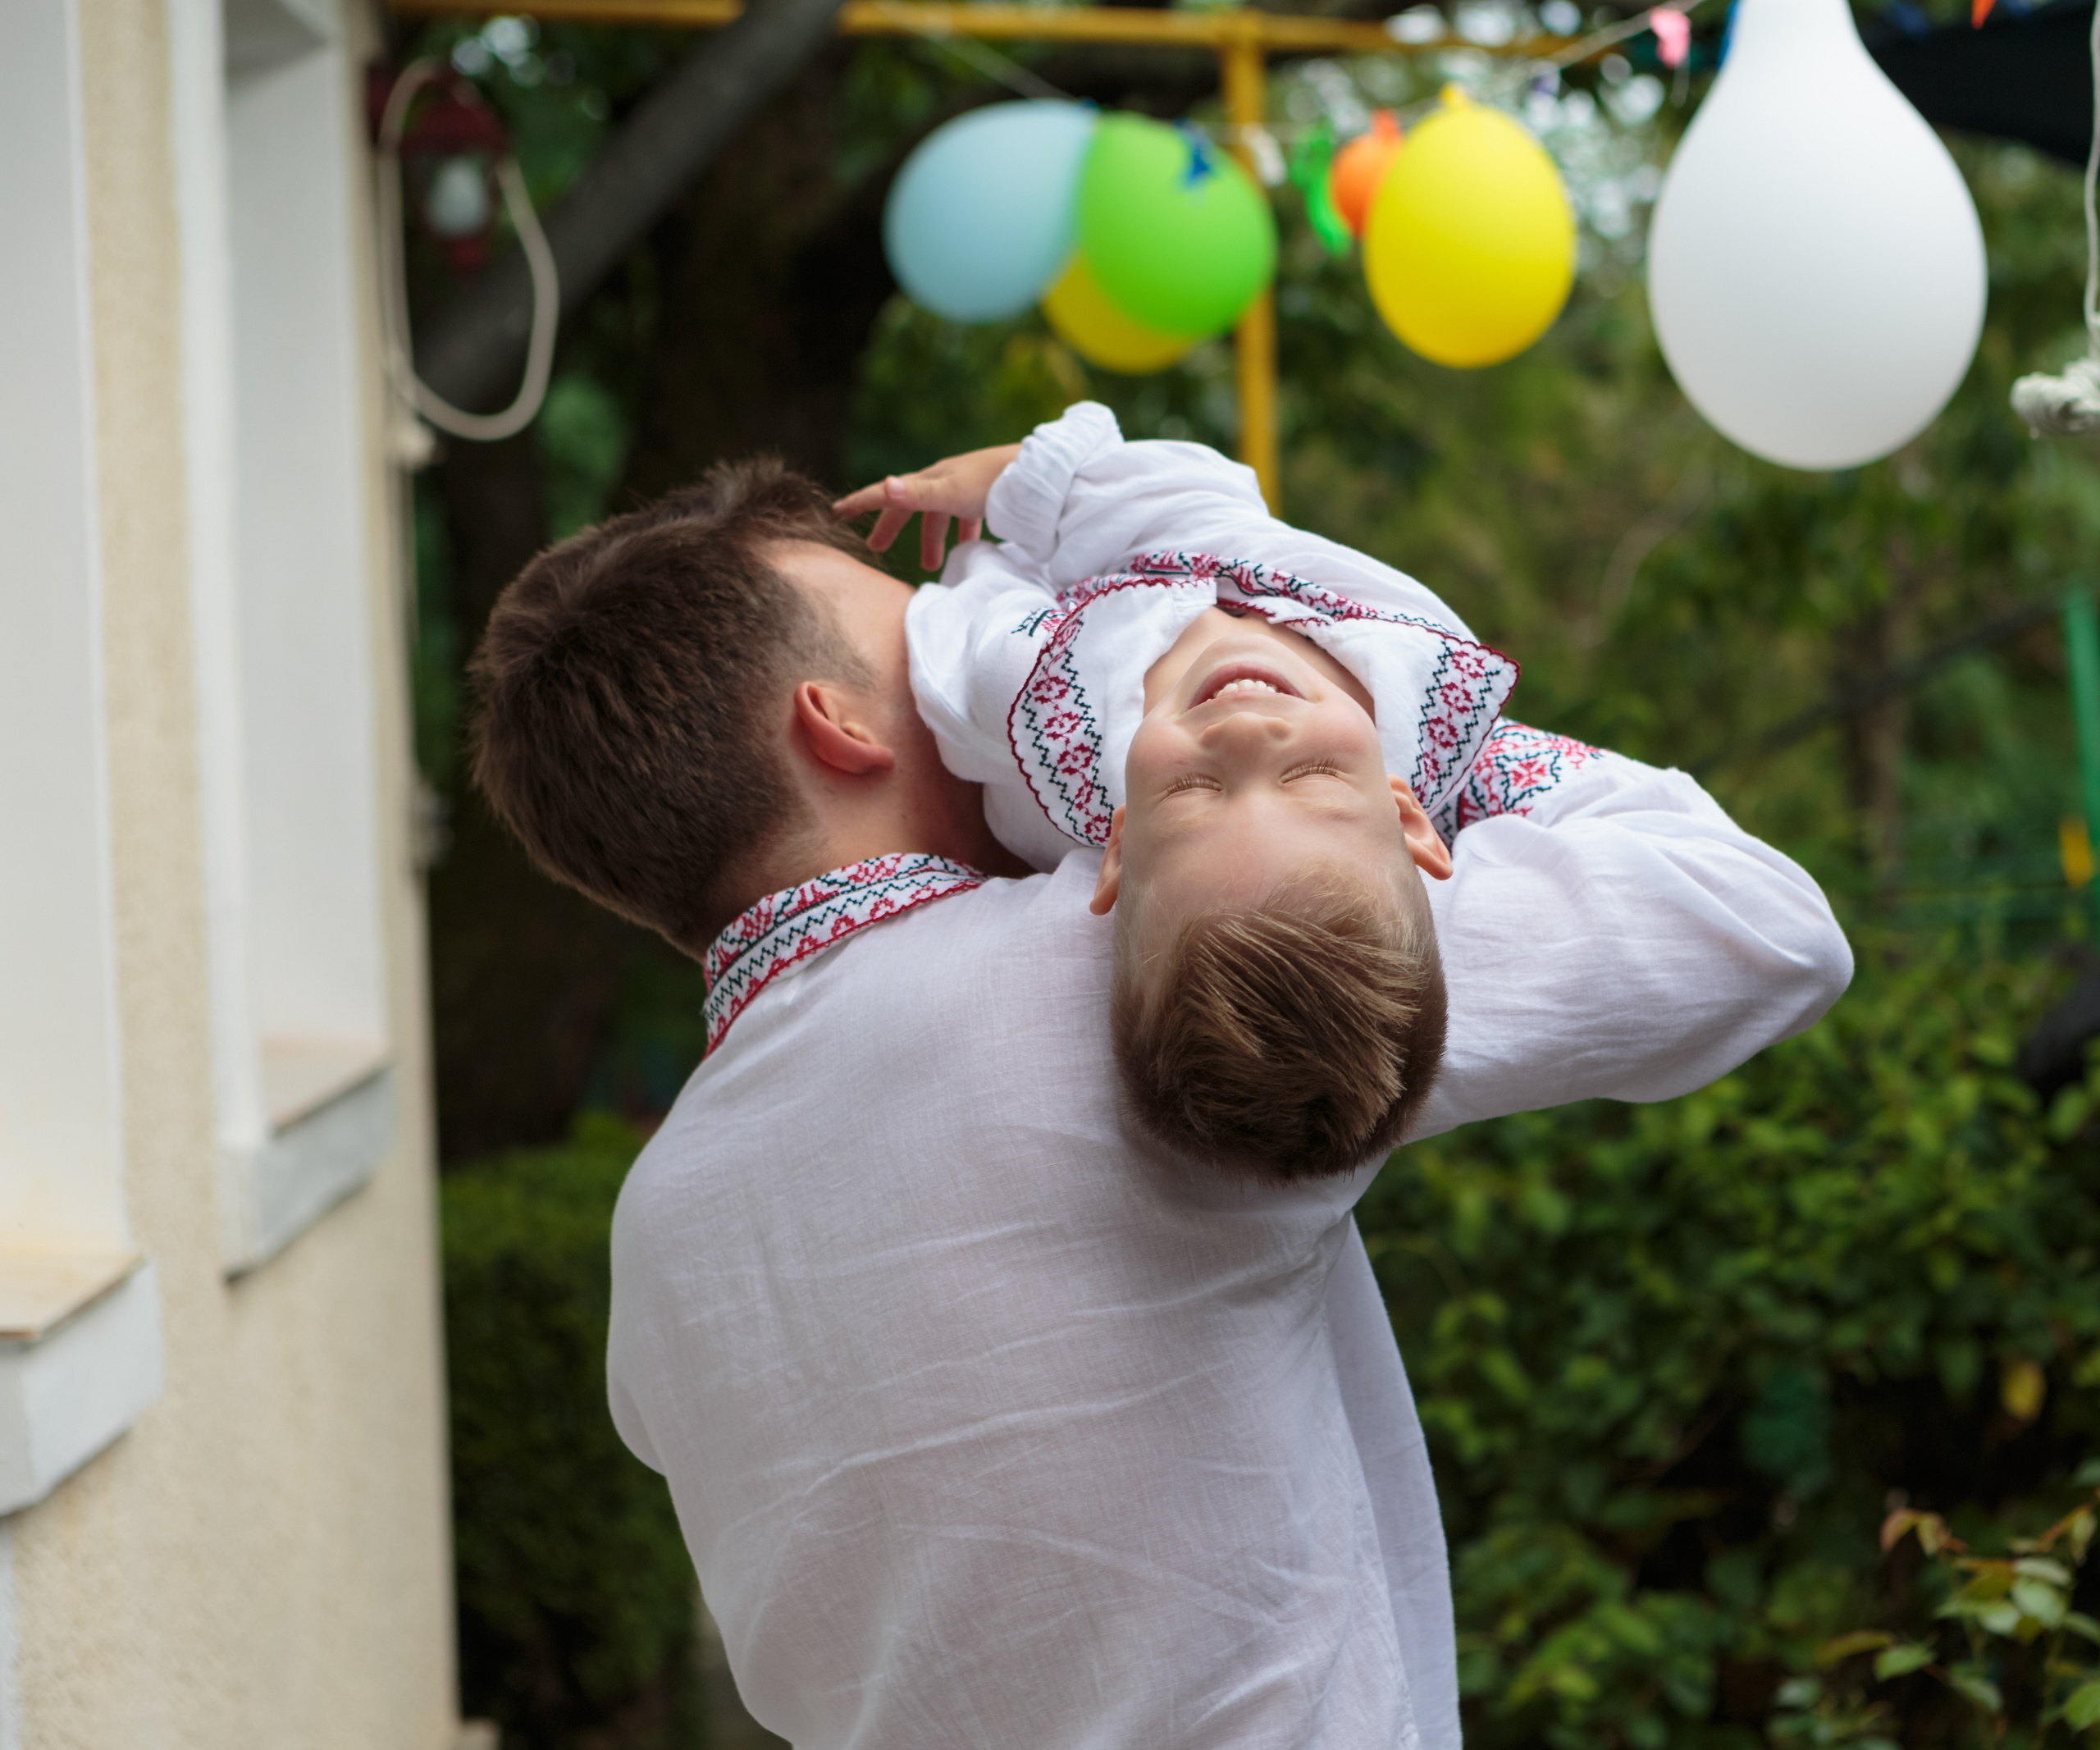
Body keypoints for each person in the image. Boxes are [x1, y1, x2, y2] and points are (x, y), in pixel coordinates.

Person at [467, 422, 1851, 1750]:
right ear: (839, 729)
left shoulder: (654, 1228)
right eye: (943, 637)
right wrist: (1357, 728)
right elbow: (1752, 919)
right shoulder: (1125, 950)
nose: (1021, 639)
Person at [845, 402, 1523, 1180]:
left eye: (1196, 788)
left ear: (1121, 846)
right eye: (1313, 775)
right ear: (1409, 813)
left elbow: (964, 630)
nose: (1243, 732)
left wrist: (1012, 489)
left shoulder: (1041, 710)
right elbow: (1210, 505)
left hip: (1040, 571)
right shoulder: (1419, 663)